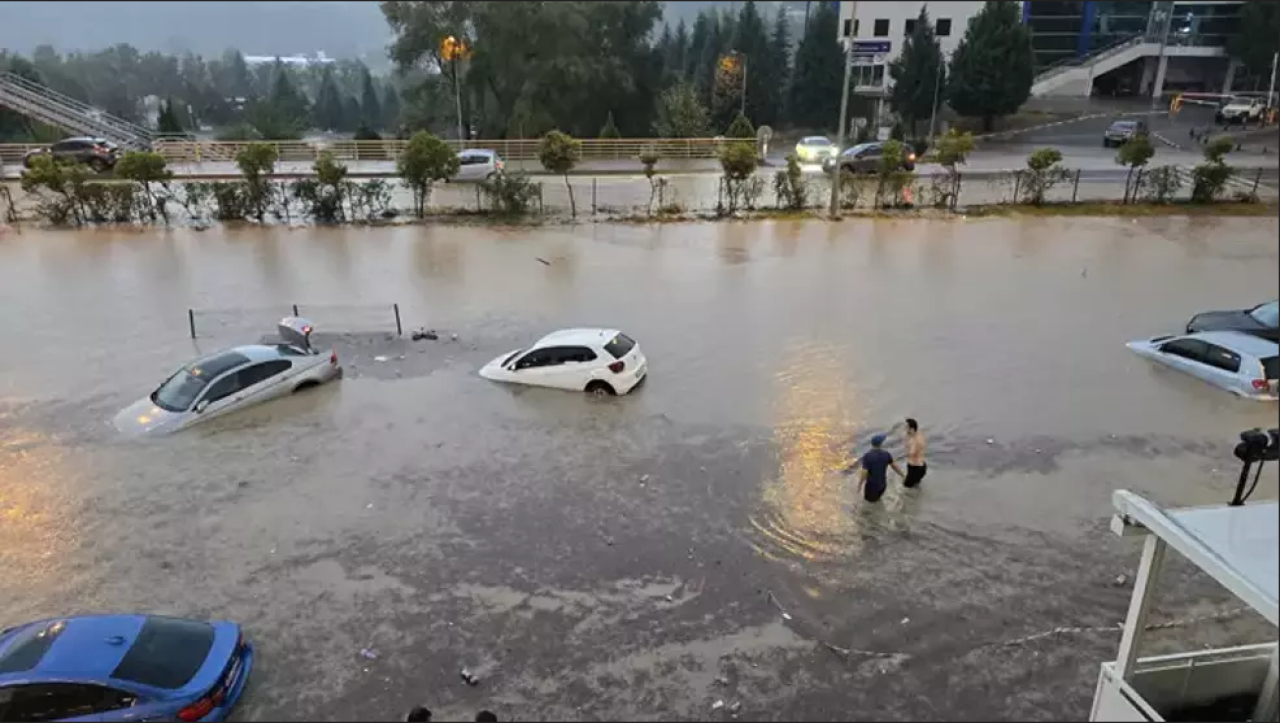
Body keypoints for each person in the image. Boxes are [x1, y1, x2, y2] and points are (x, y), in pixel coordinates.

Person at [858, 433, 904, 503]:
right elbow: (895, 467)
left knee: (868, 504)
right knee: (877, 499)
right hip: (882, 485)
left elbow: (864, 472)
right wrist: (902, 475)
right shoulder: (886, 454)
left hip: (872, 487)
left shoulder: (867, 456)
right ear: (881, 443)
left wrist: (860, 484)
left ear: (872, 444)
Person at [903, 418, 927, 489]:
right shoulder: (919, 434)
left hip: (915, 468)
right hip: (922, 466)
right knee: (915, 486)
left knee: (906, 489)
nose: (905, 429)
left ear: (912, 429)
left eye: (906, 427)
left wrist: (899, 456)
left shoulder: (915, 441)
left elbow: (911, 453)